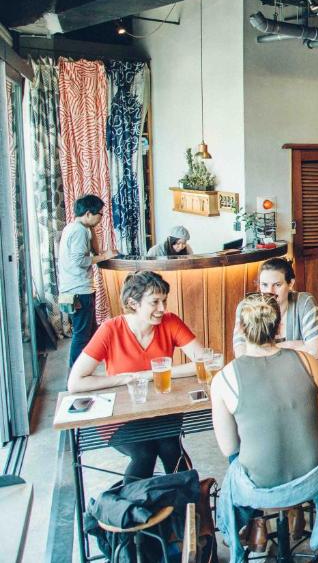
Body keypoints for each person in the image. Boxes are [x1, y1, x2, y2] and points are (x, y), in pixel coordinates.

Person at [212, 293, 318, 563]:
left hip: (260, 489)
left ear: (239, 328)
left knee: (234, 465)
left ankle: (242, 537)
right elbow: (317, 420)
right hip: (315, 477)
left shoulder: (224, 378)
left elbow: (229, 447)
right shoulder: (309, 363)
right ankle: (316, 530)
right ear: (280, 328)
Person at [68, 271, 205, 480]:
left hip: (160, 409)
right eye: (155, 302)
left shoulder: (170, 322)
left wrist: (148, 374)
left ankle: (185, 510)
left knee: (170, 449)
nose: (162, 308)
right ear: (133, 303)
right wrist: (125, 378)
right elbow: (75, 382)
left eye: (164, 301)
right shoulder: (111, 329)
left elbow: (203, 361)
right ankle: (134, 510)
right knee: (144, 454)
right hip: (121, 416)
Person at [59, 194, 117, 368]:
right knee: (82, 335)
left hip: (75, 289)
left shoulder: (75, 228)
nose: (101, 218)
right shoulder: (78, 231)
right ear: (88, 214)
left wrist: (93, 236)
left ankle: (83, 371)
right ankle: (75, 374)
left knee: (89, 333)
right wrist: (103, 257)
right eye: (100, 214)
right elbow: (80, 261)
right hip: (79, 291)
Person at [231, 258, 318, 359]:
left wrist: (261, 350)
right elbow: (241, 356)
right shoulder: (247, 307)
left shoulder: (304, 302)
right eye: (264, 285)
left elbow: (314, 353)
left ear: (290, 283)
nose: (270, 291)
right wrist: (292, 345)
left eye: (277, 285)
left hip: (300, 372)